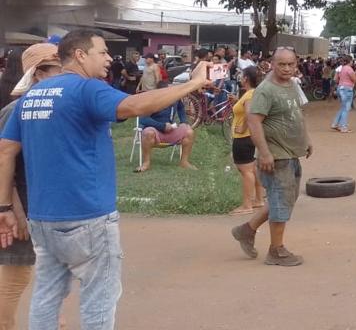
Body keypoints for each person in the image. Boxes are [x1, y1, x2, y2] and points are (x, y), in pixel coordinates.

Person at [0, 28, 213, 329]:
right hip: (88, 217)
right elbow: (137, 105)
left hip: (43, 219)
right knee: (98, 300)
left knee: (46, 296)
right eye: (102, 52)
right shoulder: (86, 89)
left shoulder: (32, 96)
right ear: (80, 55)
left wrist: (4, 208)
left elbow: (4, 151)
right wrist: (192, 83)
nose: (109, 58)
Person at [0, 44, 64, 330]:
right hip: (21, 204)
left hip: (48, 204)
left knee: (53, 271)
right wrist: (14, 208)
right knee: (17, 275)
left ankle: (52, 320)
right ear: (37, 74)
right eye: (59, 70)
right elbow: (2, 161)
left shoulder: (55, 106)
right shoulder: (15, 109)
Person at [231, 48, 311, 267]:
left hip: (291, 153)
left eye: (290, 64)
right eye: (281, 64)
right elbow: (254, 121)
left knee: (284, 199)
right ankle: (276, 250)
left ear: (296, 65)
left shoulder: (293, 85)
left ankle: (246, 230)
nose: (286, 68)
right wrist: (265, 153)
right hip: (276, 156)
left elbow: (297, 114)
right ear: (272, 64)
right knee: (281, 200)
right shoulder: (265, 90)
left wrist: (306, 140)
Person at [134, 81, 196, 172]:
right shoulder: (153, 101)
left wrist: (183, 121)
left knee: (189, 132)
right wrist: (162, 126)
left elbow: (181, 108)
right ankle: (146, 163)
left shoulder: (174, 98)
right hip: (155, 132)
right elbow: (143, 119)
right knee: (148, 132)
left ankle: (184, 162)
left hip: (170, 131)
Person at [229, 66, 266, 216]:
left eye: (242, 76)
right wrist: (237, 101)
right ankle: (258, 199)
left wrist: (242, 126)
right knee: (252, 169)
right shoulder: (251, 94)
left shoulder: (250, 95)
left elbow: (250, 114)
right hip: (248, 137)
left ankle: (247, 204)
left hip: (243, 137)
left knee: (246, 171)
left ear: (246, 78)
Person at [332, 56, 356, 133]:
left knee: (343, 107)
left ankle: (335, 123)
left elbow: (335, 79)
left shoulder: (340, 68)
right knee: (346, 109)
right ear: (350, 61)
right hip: (347, 89)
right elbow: (355, 80)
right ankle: (343, 127)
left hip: (340, 88)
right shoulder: (349, 69)